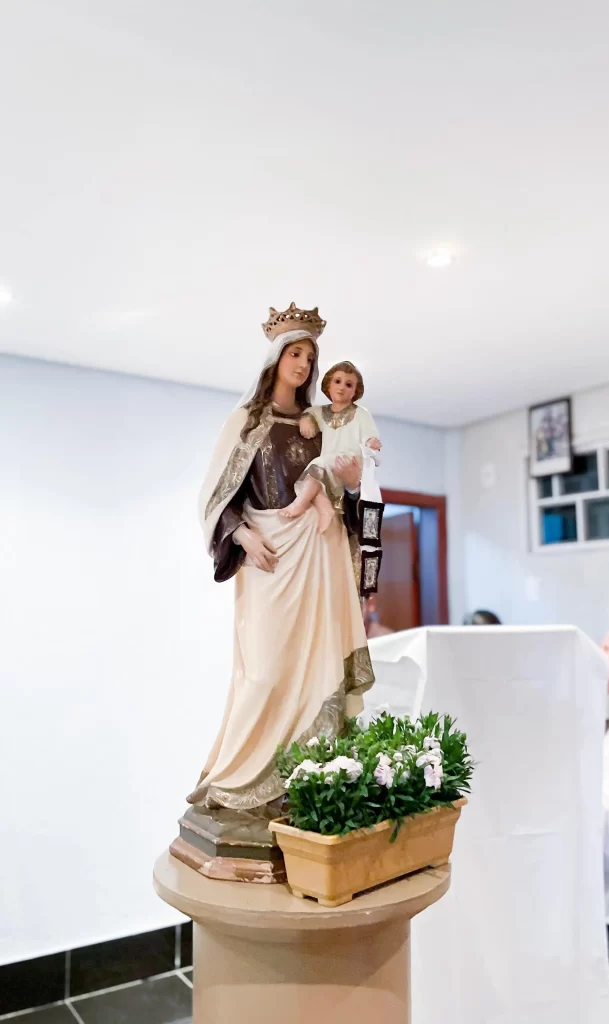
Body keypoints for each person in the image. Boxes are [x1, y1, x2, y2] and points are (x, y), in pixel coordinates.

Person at [187, 304, 374, 812]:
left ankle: (300, 782)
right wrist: (241, 534)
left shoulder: (321, 423)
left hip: (319, 550)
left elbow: (344, 485)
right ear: (276, 358)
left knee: (316, 669)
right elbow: (213, 496)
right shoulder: (246, 421)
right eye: (296, 353)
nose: (304, 365)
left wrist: (351, 487)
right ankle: (238, 782)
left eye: (311, 357)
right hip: (269, 553)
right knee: (265, 671)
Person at [279, 360, 381, 533]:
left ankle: (300, 504)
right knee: (313, 479)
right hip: (328, 463)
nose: (341, 387)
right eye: (337, 381)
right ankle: (324, 508)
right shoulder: (320, 412)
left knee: (318, 465)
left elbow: (371, 440)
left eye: (348, 384)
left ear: (355, 391)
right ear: (328, 384)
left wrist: (372, 444)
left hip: (349, 461)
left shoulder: (361, 414)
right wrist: (306, 419)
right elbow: (308, 413)